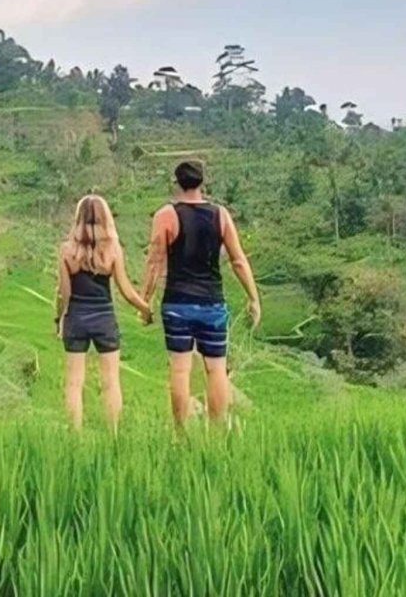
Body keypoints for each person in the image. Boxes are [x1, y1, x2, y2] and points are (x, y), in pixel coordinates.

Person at [141, 160, 262, 427]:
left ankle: (180, 434)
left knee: (180, 369)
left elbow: (154, 262)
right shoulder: (220, 215)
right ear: (202, 183)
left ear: (176, 183)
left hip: (177, 304)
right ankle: (218, 434)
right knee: (216, 368)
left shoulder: (166, 215)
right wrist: (253, 298)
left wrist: (144, 301)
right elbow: (238, 260)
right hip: (212, 305)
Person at [53, 194, 152, 430]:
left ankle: (74, 437)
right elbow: (126, 290)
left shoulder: (67, 251)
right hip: (104, 320)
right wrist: (146, 310)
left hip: (76, 319)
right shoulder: (112, 250)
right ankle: (113, 434)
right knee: (110, 382)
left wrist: (59, 319)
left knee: (74, 384)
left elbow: (63, 293)